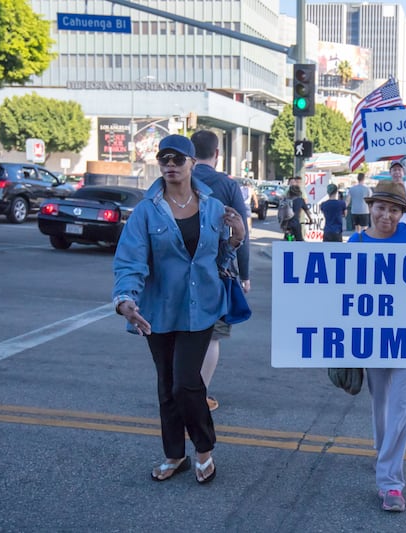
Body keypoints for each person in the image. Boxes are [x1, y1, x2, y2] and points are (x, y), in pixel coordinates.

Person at [112, 134, 246, 484]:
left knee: (187, 382)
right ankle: (174, 455)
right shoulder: (147, 210)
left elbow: (219, 260)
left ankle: (204, 450)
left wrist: (236, 238)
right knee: (166, 384)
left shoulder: (214, 208)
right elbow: (130, 260)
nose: (170, 165)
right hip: (158, 310)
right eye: (164, 160)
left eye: (177, 160)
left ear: (191, 163)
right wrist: (125, 299)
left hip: (201, 306)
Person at [346, 181, 406, 513]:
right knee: (381, 403)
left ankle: (390, 483)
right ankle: (382, 453)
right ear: (370, 208)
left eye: (395, 209)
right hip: (373, 339)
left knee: (401, 409)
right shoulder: (355, 242)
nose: (387, 215)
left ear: (403, 213)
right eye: (381, 207)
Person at [190, 130, 251, 412]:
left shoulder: (180, 179)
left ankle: (181, 390)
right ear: (217, 154)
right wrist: (245, 274)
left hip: (182, 264)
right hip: (216, 266)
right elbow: (242, 231)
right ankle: (199, 394)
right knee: (213, 334)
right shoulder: (228, 185)